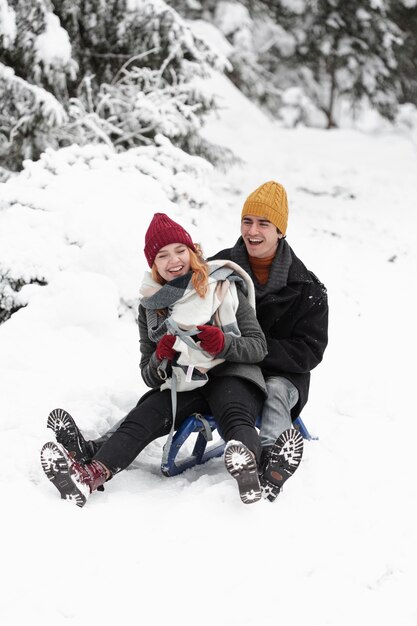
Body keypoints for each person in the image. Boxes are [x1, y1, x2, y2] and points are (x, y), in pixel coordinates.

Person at [41, 213, 280, 507]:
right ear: (153, 265)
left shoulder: (223, 286)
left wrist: (223, 343)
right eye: (162, 255)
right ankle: (90, 476)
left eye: (180, 250)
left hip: (232, 374)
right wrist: (161, 356)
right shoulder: (151, 308)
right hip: (185, 382)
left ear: (193, 252)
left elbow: (258, 347)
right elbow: (149, 374)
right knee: (144, 416)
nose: (174, 260)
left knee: (234, 412)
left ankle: (250, 467)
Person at [210, 180, 329, 501]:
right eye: (247, 221)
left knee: (276, 392)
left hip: (283, 370)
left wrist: (255, 352)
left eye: (264, 223)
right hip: (229, 368)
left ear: (280, 231)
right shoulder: (220, 268)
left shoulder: (306, 287)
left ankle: (272, 458)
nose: (253, 230)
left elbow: (310, 350)